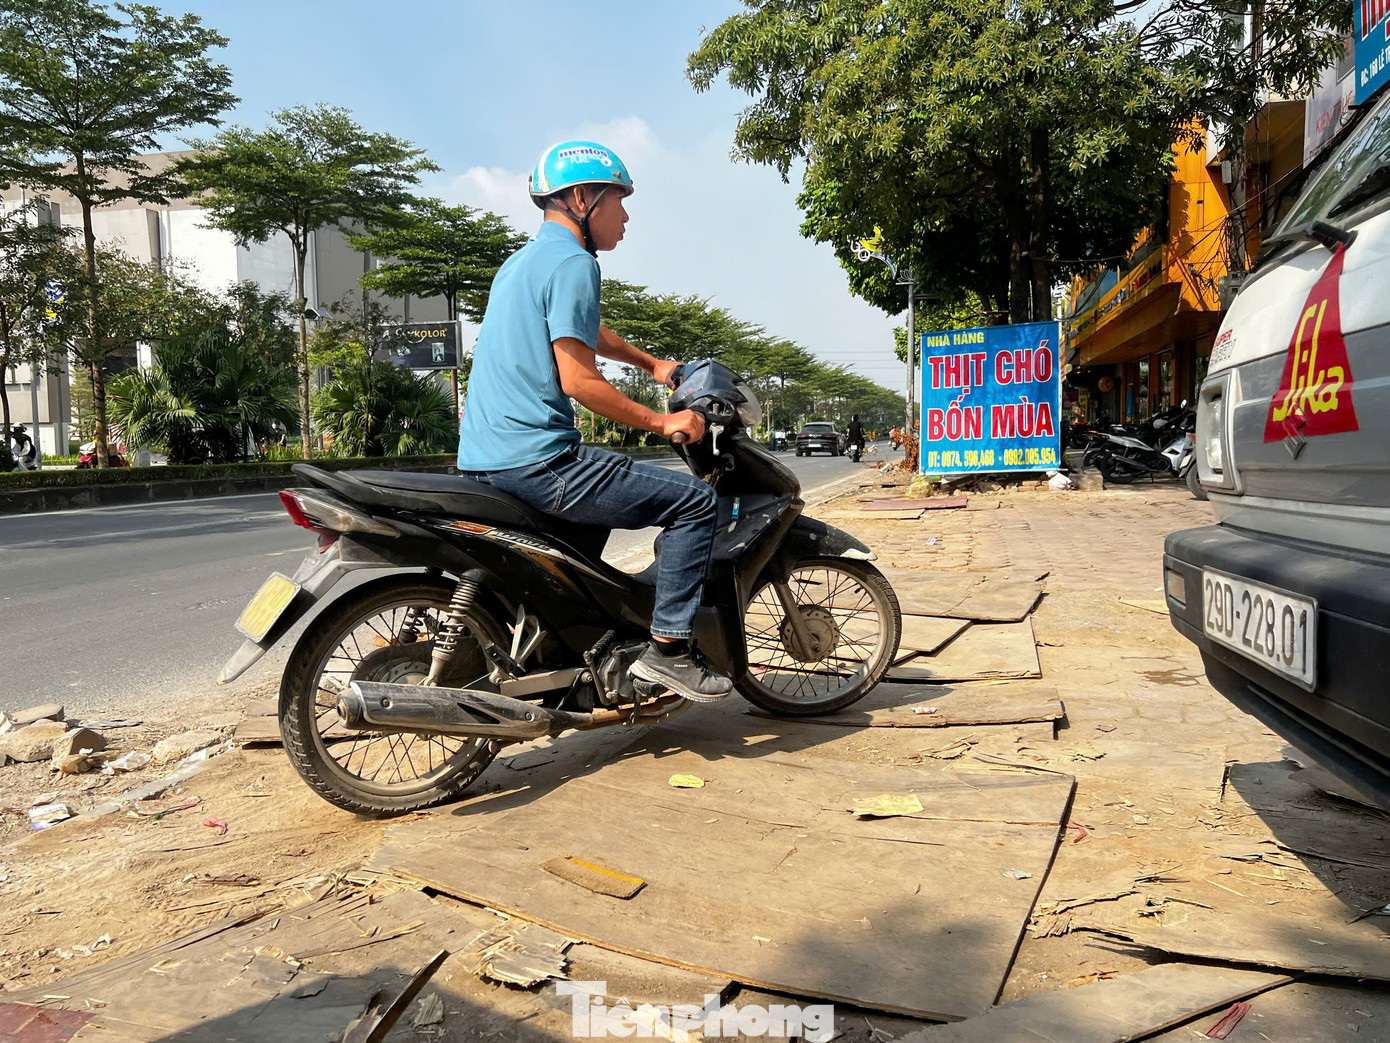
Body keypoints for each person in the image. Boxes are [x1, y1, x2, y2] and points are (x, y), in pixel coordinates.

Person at [456, 140, 731, 703]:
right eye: (619, 202)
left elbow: (584, 330)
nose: (626, 216)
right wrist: (663, 422)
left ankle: (565, 652)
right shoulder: (576, 263)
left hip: (486, 462)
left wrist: (653, 364)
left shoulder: (524, 263)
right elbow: (579, 381)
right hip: (540, 461)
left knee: (583, 548)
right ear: (583, 198)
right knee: (696, 503)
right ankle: (669, 650)